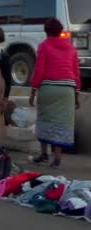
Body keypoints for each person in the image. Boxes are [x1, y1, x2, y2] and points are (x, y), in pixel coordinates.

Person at [29, 18, 81, 169]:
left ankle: (43, 154)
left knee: (44, 119)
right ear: (60, 31)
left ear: (46, 32)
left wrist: (33, 90)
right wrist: (76, 94)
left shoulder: (44, 46)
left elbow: (39, 70)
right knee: (62, 123)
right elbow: (76, 72)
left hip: (48, 88)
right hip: (67, 91)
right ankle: (57, 159)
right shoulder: (71, 48)